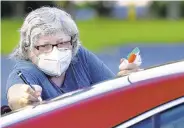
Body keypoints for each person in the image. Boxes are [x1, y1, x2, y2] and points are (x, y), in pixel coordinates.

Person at [6, 6, 140, 111]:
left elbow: (113, 91)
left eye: (62, 43)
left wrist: (127, 78)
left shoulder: (80, 56)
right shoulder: (26, 71)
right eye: (45, 46)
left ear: (73, 42)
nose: (55, 51)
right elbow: (15, 94)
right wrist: (24, 98)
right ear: (28, 49)